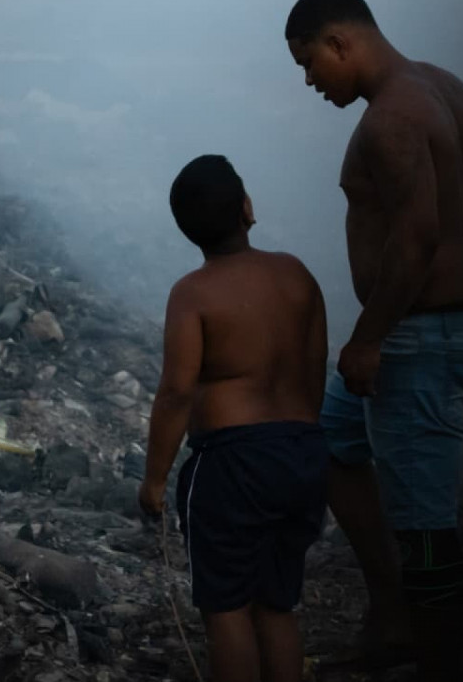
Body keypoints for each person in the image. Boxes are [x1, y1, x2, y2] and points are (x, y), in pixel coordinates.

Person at [284, 0, 463, 681]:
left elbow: (415, 239)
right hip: (445, 321)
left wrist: (373, 338)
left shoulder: (391, 120)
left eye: (308, 62)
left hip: (422, 337)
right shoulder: (446, 88)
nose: (309, 81)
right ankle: (394, 611)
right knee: (330, 438)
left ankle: (441, 658)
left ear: (340, 43)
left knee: (426, 527)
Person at [138, 154, 329, 682]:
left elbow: (176, 392)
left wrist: (154, 480)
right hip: (302, 452)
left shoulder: (192, 293)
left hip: (232, 465)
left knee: (227, 609)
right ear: (247, 207)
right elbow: (315, 370)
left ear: (186, 231)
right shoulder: (297, 276)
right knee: (276, 604)